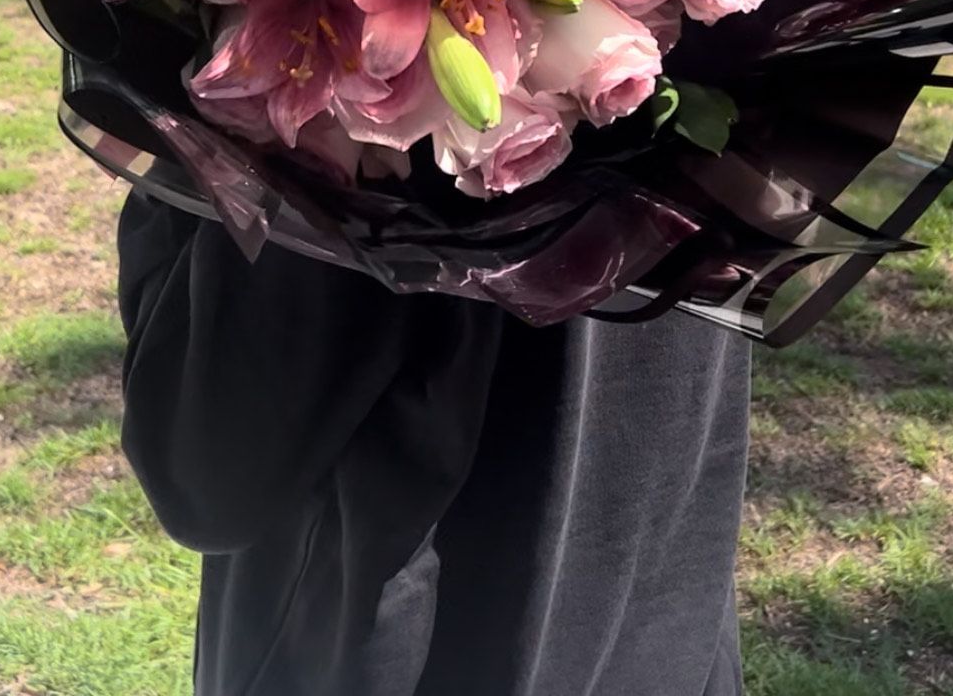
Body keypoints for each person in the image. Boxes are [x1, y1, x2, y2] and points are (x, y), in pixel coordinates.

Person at [118, 190, 749, 696]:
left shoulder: (361, 82)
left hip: (391, 644)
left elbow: (211, 474)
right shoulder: (726, 48)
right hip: (659, 621)